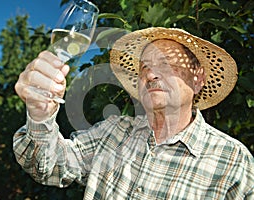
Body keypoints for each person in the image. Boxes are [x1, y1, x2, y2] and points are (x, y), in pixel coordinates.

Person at [13, 27, 254, 199]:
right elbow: (49, 166)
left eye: (166, 64)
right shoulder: (114, 130)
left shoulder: (233, 161)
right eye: (144, 67)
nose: (150, 74)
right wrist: (39, 113)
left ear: (198, 78)